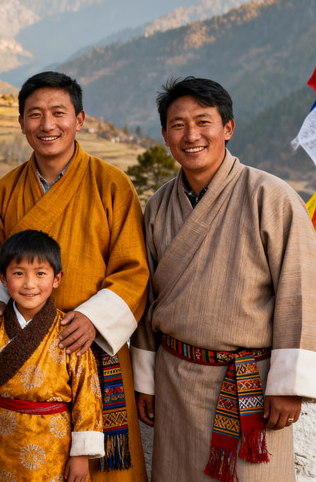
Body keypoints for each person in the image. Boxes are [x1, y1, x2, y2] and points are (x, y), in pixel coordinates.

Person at [131, 77, 316, 482]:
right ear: (165, 135)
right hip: (176, 380)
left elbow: (300, 293)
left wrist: (287, 385)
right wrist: (145, 378)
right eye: (177, 124)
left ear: (227, 128)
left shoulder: (272, 196)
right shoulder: (159, 205)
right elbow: (145, 298)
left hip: (247, 386)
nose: (191, 135)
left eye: (203, 121)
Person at [0, 71, 150, 481]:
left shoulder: (112, 185)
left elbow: (134, 270)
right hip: (23, 354)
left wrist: (93, 318)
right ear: (22, 123)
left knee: (101, 467)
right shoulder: (4, 191)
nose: (47, 125)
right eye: (35, 115)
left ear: (81, 119)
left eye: (58, 113)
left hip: (89, 346)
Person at [0, 229, 104, 482]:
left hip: (55, 445)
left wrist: (81, 455)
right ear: (3, 278)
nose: (29, 284)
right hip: (3, 444)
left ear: (57, 278)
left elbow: (87, 396)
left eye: (40, 274)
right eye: (18, 273)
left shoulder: (69, 332)